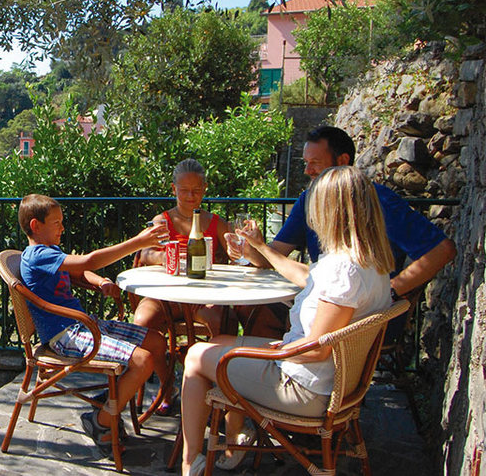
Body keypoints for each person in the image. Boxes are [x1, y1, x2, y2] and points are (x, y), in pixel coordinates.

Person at [180, 166, 395, 476]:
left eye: (315, 204)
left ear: (331, 210)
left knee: (195, 355)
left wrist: (278, 351)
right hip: (329, 379)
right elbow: (308, 277)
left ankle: (190, 463)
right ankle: (234, 436)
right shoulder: (368, 263)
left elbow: (317, 349)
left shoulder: (343, 270)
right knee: (216, 343)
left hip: (304, 389)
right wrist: (261, 248)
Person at [236, 125, 456, 336]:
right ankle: (266, 356)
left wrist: (391, 290)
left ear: (342, 161)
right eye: (306, 163)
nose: (307, 170)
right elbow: (275, 259)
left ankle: (261, 357)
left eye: (315, 163)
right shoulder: (308, 200)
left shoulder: (376, 201)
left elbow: (443, 250)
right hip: (326, 303)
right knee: (248, 307)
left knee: (257, 316)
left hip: (360, 319)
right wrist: (250, 249)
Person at [18, 193, 172, 454]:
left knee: (156, 341)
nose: (62, 228)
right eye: (56, 223)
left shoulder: (51, 252)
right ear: (36, 225)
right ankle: (101, 421)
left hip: (85, 325)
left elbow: (79, 271)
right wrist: (138, 242)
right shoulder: (36, 255)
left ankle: (108, 400)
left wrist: (101, 282)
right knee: (142, 360)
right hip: (65, 335)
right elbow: (89, 261)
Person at [133, 159, 233, 344]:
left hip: (204, 298)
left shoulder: (216, 223)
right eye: (184, 190)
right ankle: (157, 362)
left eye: (196, 190)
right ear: (174, 189)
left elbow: (236, 254)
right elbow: (144, 254)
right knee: (142, 321)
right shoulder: (162, 221)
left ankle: (208, 361)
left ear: (204, 189)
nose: (190, 196)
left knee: (224, 321)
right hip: (165, 295)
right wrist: (163, 257)